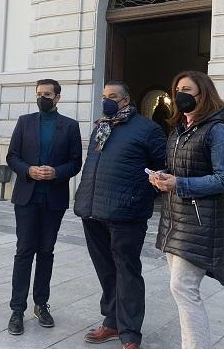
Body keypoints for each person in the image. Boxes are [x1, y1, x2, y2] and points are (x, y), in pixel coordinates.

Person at [74, 81, 166, 349]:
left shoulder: (148, 129)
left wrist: (140, 197)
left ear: (126, 100)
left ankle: (130, 334)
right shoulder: (101, 126)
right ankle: (111, 322)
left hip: (126, 213)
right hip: (92, 209)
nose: (107, 101)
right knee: (106, 270)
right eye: (104, 96)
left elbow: (161, 170)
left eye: (112, 96)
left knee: (127, 271)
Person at [149, 71, 224, 349]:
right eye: (176, 90)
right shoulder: (177, 130)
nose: (179, 94)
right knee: (181, 290)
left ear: (203, 93)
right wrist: (161, 176)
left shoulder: (217, 128)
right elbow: (178, 170)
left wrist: (179, 183)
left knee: (183, 288)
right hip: (174, 217)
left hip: (199, 219)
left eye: (186, 89)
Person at [5, 78, 83, 335]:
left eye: (47, 94)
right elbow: (12, 156)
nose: (42, 98)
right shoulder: (24, 122)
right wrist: (29, 170)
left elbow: (75, 162)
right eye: (39, 94)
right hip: (26, 197)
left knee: (46, 251)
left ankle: (41, 304)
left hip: (54, 199)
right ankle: (17, 309)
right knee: (24, 251)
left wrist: (56, 172)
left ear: (57, 97)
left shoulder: (70, 126)